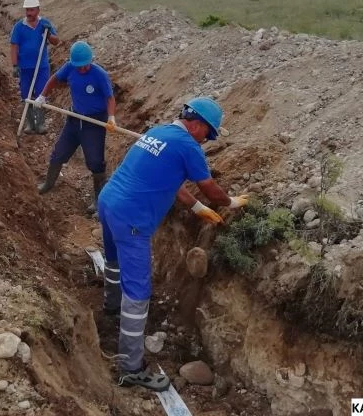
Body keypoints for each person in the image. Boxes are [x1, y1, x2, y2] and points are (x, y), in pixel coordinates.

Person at [96, 96, 249, 391]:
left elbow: (171, 182)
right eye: (208, 134)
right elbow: (210, 189)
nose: (206, 141)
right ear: (197, 125)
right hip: (132, 219)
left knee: (113, 259)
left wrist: (196, 208)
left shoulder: (159, 132)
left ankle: (111, 306)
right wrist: (231, 202)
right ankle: (130, 368)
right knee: (138, 293)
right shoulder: (188, 146)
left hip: (109, 201)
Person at [33, 41, 116, 214]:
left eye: (85, 65)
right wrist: (42, 96)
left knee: (95, 161)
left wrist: (111, 117)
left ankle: (98, 200)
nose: (82, 69)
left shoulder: (99, 75)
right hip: (74, 119)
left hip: (94, 123)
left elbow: (110, 98)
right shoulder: (69, 67)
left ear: (90, 60)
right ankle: (48, 184)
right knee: (59, 153)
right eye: (79, 66)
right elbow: (55, 79)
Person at [10, 0, 59, 133]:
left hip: (41, 67)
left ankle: (40, 123)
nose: (29, 13)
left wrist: (48, 34)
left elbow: (56, 41)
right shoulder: (19, 27)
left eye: (31, 10)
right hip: (25, 67)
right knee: (26, 94)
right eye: (27, 10)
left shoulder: (45, 24)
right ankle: (30, 123)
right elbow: (14, 47)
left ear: (38, 10)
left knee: (41, 93)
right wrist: (15, 65)